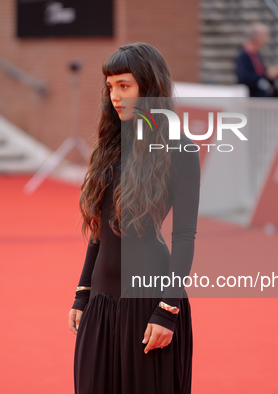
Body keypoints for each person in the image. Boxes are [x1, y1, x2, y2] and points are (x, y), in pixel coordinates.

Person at [68, 42, 200, 394]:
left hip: (149, 301)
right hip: (101, 301)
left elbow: (185, 236)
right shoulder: (110, 145)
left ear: (149, 86)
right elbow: (100, 228)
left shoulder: (179, 148)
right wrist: (83, 292)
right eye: (110, 86)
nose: (115, 95)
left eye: (124, 86)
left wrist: (167, 310)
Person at [235, 22, 278, 97]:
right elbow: (244, 78)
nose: (267, 39)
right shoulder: (244, 55)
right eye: (265, 36)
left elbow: (262, 75)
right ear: (256, 37)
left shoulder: (257, 54)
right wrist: (267, 75)